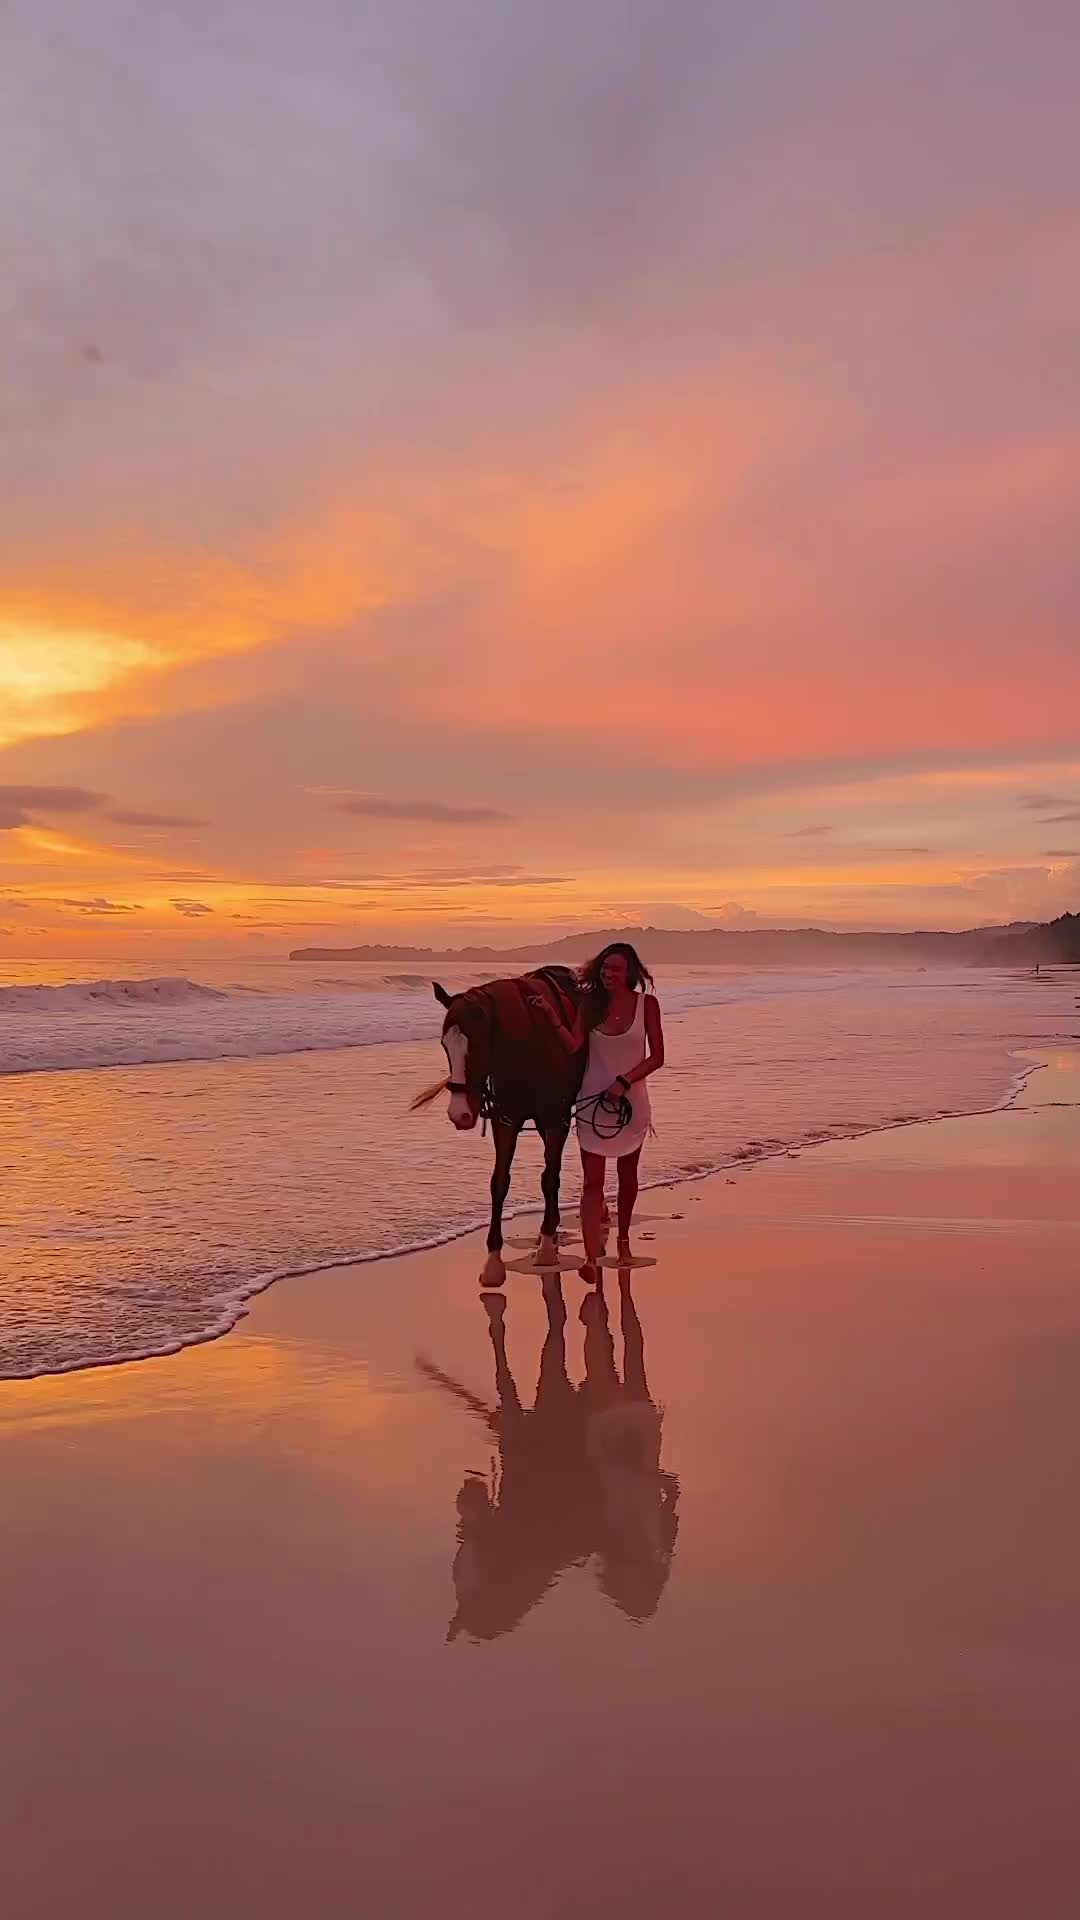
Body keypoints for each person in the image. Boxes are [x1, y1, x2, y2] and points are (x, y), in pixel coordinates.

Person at [574, 941, 665, 1273]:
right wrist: (546, 1015)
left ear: (630, 973)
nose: (608, 974)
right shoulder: (589, 1005)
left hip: (631, 1101)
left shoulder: (647, 1006)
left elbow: (657, 1057)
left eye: (615, 969)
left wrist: (624, 1082)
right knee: (591, 1183)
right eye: (604, 968)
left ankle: (623, 1241)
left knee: (627, 1177)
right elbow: (572, 1044)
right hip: (592, 1103)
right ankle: (590, 1258)